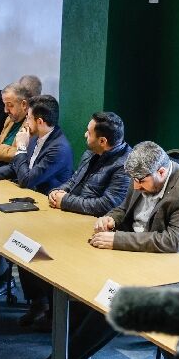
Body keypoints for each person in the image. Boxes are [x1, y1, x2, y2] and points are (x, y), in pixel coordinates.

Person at [13, 142, 179, 359]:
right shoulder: (140, 176)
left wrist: (117, 239)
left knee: (114, 304)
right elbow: (124, 209)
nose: (136, 187)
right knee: (82, 290)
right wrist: (111, 218)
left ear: (162, 172)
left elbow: (173, 241)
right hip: (142, 257)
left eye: (141, 182)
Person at [18, 111, 133, 329]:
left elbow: (106, 205)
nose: (84, 135)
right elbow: (73, 180)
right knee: (28, 241)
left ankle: (59, 316)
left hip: (92, 227)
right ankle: (40, 302)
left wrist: (65, 201)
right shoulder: (91, 153)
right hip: (67, 217)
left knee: (50, 256)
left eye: (88, 132)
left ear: (103, 141)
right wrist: (58, 192)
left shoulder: (125, 166)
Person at [0, 95, 73, 302]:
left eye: (28, 118)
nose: (26, 122)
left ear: (39, 121)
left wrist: (20, 148)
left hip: (46, 211)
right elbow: (16, 167)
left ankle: (32, 299)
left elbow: (27, 179)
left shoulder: (58, 148)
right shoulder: (37, 137)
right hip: (28, 202)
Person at [0, 83, 35, 170]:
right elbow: (1, 139)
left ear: (24, 104)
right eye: (4, 105)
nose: (5, 110)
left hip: (7, 172)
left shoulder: (33, 125)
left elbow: (23, 153)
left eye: (10, 105)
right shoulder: (10, 119)